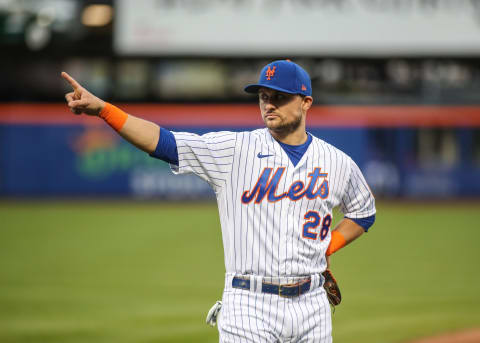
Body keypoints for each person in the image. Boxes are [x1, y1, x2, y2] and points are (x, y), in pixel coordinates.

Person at [62, 60, 376, 343]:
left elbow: (363, 212)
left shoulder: (337, 162)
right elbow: (164, 143)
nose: (268, 104)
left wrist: (328, 246)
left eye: (279, 96)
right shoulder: (234, 150)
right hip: (249, 304)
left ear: (306, 102)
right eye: (263, 96)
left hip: (313, 306)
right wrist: (104, 109)